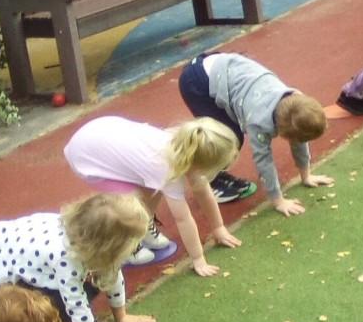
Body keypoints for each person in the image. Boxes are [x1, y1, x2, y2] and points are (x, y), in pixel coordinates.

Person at [0, 193, 156, 322]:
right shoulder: (66, 259)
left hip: (24, 260)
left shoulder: (86, 235)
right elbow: (77, 307)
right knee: (45, 315)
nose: (136, 247)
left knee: (96, 282)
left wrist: (121, 316)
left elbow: (112, 273)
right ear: (106, 247)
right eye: (134, 243)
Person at [65, 116, 242, 277]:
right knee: (128, 206)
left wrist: (218, 227)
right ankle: (128, 244)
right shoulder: (166, 169)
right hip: (89, 159)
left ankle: (143, 226)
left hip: (100, 136)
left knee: (153, 187)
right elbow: (183, 218)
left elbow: (203, 190)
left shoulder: (183, 144)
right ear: (199, 165)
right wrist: (198, 258)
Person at [179, 52, 334, 217]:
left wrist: (306, 175)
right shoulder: (259, 122)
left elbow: (299, 138)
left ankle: (214, 171)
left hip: (223, 67)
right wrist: (278, 200)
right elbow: (263, 160)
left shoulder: (295, 102)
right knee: (226, 140)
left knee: (229, 134)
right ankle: (210, 181)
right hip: (197, 81)